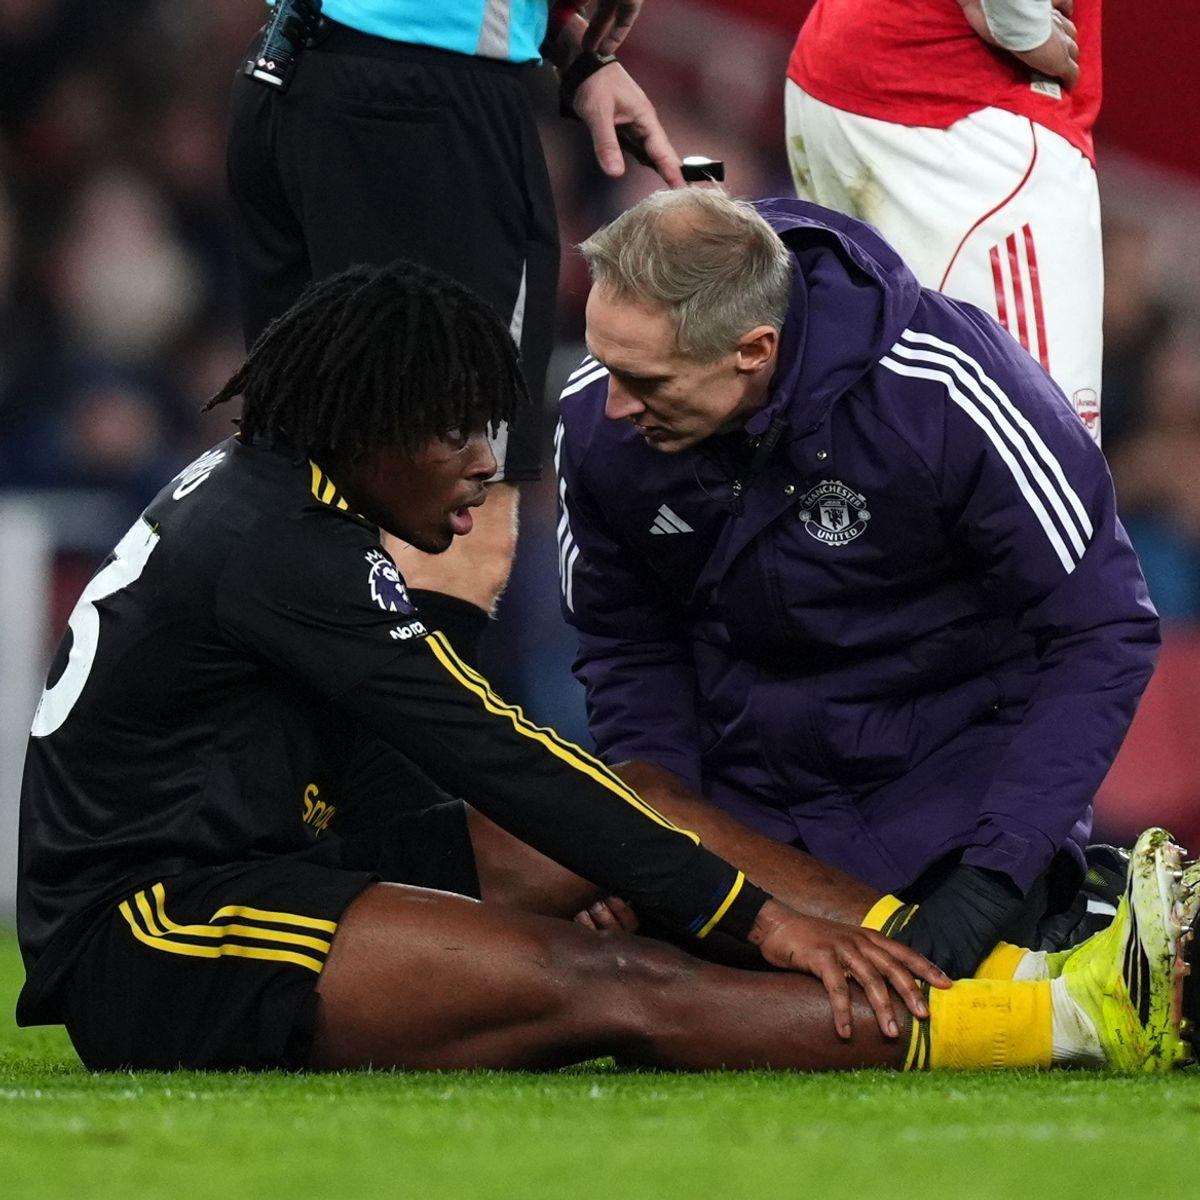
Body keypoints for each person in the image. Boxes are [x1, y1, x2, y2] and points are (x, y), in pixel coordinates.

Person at [14, 261, 1192, 1075]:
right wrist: (757, 921)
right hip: (161, 932)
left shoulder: (280, 497)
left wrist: (634, 864)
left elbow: (374, 763)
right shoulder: (275, 547)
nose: (486, 466)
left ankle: (1023, 961)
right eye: (456, 432)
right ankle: (1063, 1023)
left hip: (287, 856)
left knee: (646, 810)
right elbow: (487, 747)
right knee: (608, 976)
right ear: (370, 427)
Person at [554, 188, 1158, 983]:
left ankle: (1071, 912)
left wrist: (997, 870)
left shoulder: (948, 389)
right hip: (744, 807)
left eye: (646, 380)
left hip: (946, 794)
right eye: (604, 363)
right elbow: (628, 644)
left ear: (753, 350)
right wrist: (657, 831)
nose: (612, 404)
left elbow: (1101, 626)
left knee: (942, 1002)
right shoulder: (598, 425)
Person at [226, 0, 683, 666]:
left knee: (311, 483)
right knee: (455, 502)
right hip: (427, 108)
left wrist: (566, 44)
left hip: (287, 73)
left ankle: (289, 737)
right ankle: (407, 739)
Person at [784, 0, 1103, 441]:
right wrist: (1021, 24)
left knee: (865, 429)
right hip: (962, 100)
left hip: (855, 68)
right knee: (1047, 447)